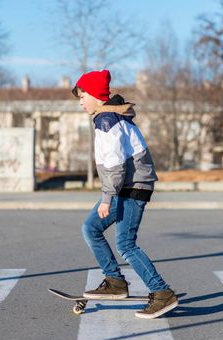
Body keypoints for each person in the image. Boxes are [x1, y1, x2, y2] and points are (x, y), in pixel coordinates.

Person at [72, 69, 178, 319]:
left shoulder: (107, 120)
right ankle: (115, 281)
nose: (80, 101)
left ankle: (162, 293)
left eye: (82, 95)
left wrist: (107, 198)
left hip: (133, 186)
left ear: (97, 96)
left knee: (125, 243)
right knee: (91, 228)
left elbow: (116, 166)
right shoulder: (107, 116)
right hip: (125, 185)